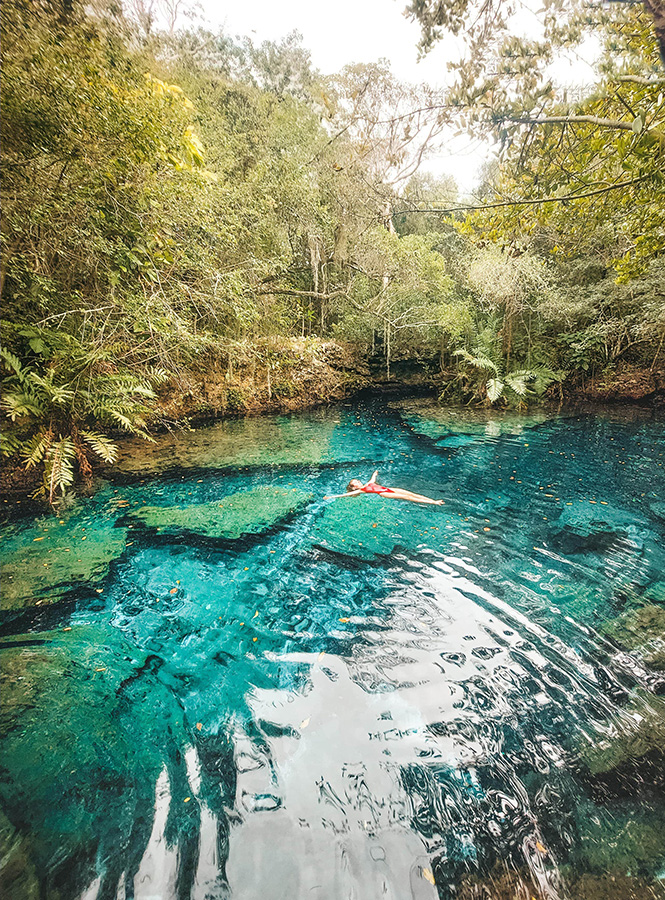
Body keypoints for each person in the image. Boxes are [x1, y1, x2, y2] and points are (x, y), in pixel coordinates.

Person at [337, 470, 444, 505]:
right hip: (384, 493)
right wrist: (331, 497)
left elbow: (373, 479)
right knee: (407, 497)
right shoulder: (361, 490)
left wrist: (375, 473)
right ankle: (434, 502)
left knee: (411, 493)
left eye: (358, 480)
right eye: (356, 482)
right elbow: (346, 494)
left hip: (388, 488)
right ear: (354, 488)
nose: (359, 482)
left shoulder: (367, 484)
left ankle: (433, 500)